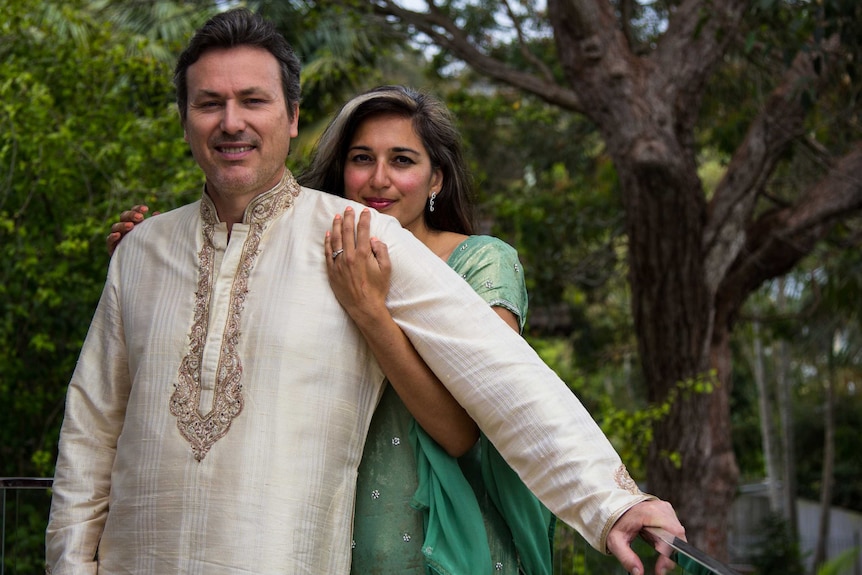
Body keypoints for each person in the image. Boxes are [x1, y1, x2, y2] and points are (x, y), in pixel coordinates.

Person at [47, 8, 684, 575]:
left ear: (292, 118)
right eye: (208, 102)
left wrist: (612, 502)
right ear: (185, 118)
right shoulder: (142, 253)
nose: (230, 122)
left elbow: (501, 373)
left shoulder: (357, 238)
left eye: (253, 101)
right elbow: (91, 433)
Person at [108, 85, 556, 575]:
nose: (378, 179)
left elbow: (461, 431)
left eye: (402, 160)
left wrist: (369, 310)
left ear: (436, 180)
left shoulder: (482, 263)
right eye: (362, 158)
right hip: (324, 540)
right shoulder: (312, 259)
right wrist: (155, 261)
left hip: (444, 546)